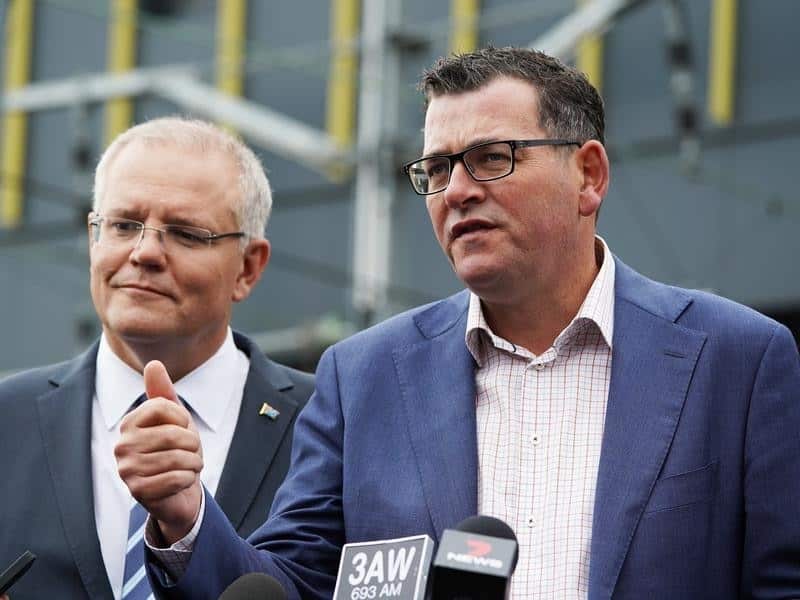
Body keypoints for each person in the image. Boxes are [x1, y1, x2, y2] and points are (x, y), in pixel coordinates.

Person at [121, 48, 800, 599]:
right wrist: (185, 513)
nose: (458, 190)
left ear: (588, 175)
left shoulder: (736, 358)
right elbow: (291, 586)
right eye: (438, 168)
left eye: (491, 158)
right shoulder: (363, 377)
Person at [0, 117, 314, 600]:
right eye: (124, 225)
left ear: (248, 268)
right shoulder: (7, 421)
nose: (145, 252)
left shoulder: (327, 422)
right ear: (93, 240)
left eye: (186, 233)